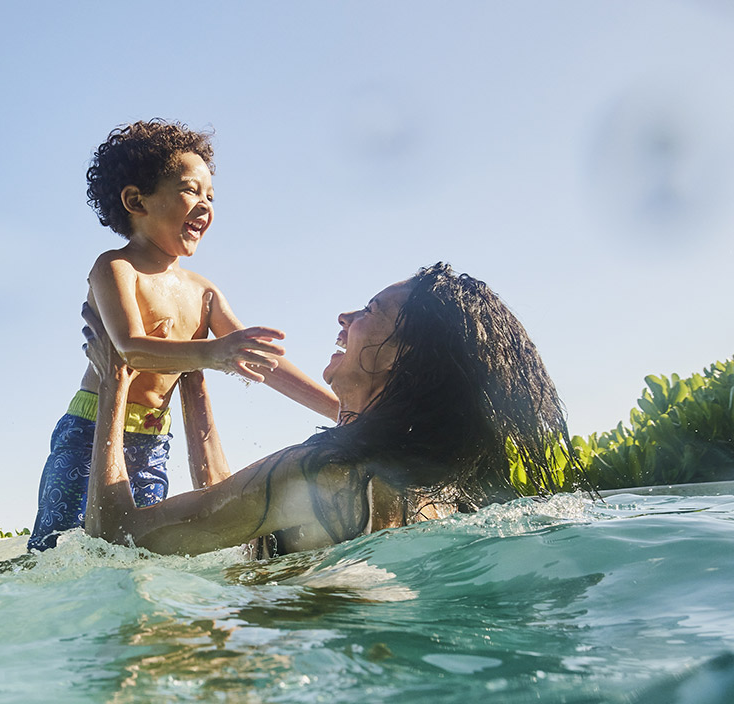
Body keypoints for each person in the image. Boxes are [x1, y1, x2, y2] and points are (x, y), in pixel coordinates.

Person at [80, 263, 580, 556]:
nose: (345, 316)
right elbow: (235, 512)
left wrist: (114, 382)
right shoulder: (440, 487)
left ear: (399, 355)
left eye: (370, 310)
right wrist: (194, 383)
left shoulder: (319, 471)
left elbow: (117, 535)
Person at [29, 120, 338, 551]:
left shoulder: (204, 292)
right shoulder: (116, 268)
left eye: (211, 196)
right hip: (91, 428)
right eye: (191, 190)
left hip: (155, 441)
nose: (205, 205)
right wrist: (212, 352)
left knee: (132, 551)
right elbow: (128, 347)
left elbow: (263, 362)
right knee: (55, 550)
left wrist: (340, 411)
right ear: (136, 200)